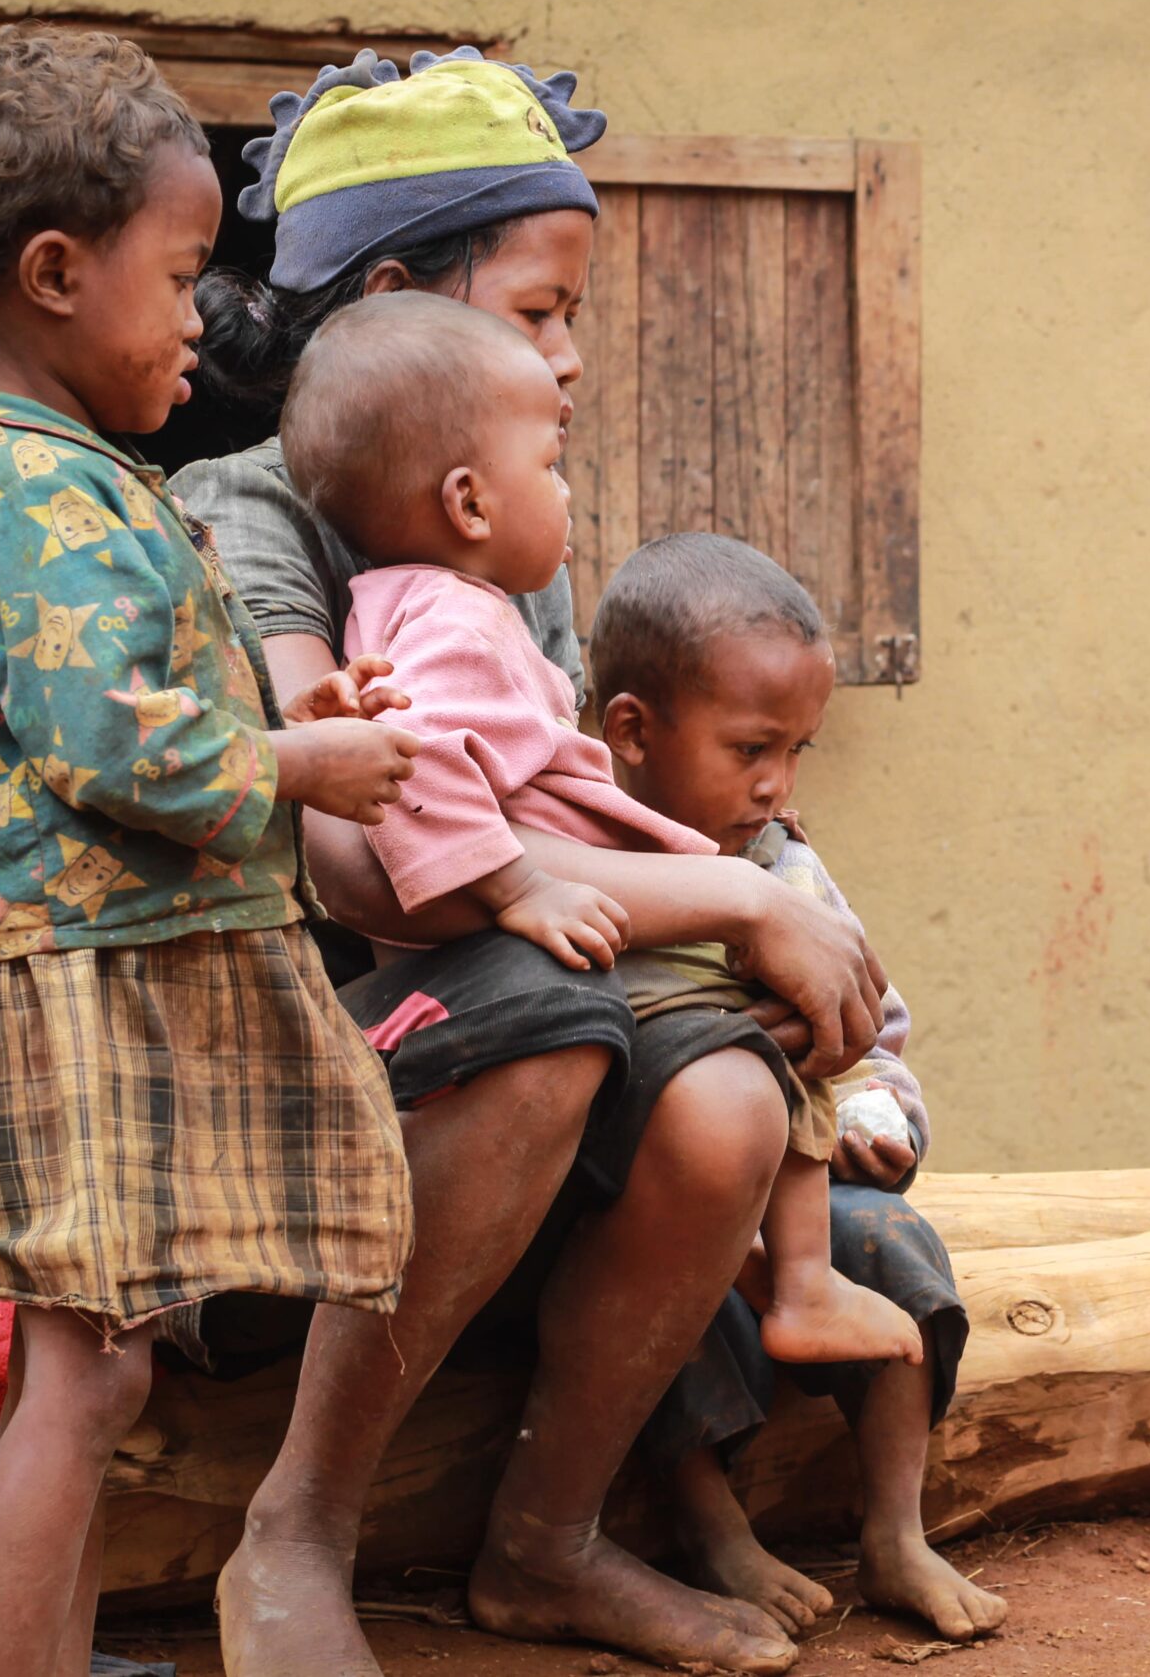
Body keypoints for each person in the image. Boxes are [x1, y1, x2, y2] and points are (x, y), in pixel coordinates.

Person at [174, 47, 889, 1677]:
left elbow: (552, 823)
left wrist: (749, 939)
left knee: (720, 1095)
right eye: (541, 310)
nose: (570, 359)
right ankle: (298, 1524)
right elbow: (374, 871)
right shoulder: (252, 512)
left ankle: (545, 1540)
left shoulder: (495, 540)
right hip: (283, 1060)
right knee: (541, 1015)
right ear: (401, 296)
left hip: (471, 1011)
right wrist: (732, 898)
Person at [0, 26, 420, 1677]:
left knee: (95, 1371)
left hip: (79, 971)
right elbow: (123, 745)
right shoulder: (29, 496)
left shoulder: (70, 481)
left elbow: (137, 695)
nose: (203, 316)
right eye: (184, 274)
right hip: (50, 980)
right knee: (78, 1377)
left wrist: (290, 698)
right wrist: (304, 759)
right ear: (56, 273)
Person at [275, 293, 924, 1368]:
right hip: (543, 965)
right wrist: (523, 888)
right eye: (551, 465)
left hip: (542, 952)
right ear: (470, 502)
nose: (568, 492)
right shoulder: (454, 619)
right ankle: (801, 1278)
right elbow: (419, 770)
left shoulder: (410, 607)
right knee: (765, 1025)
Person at [588, 532, 1011, 1647]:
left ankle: (895, 1532)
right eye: (749, 748)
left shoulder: (787, 870)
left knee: (899, 1247)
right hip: (670, 1215)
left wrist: (872, 1115)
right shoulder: (585, 864)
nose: (776, 784)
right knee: (657, 1301)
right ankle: (712, 1527)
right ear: (630, 730)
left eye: (797, 750)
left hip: (810, 1206)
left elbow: (878, 1037)